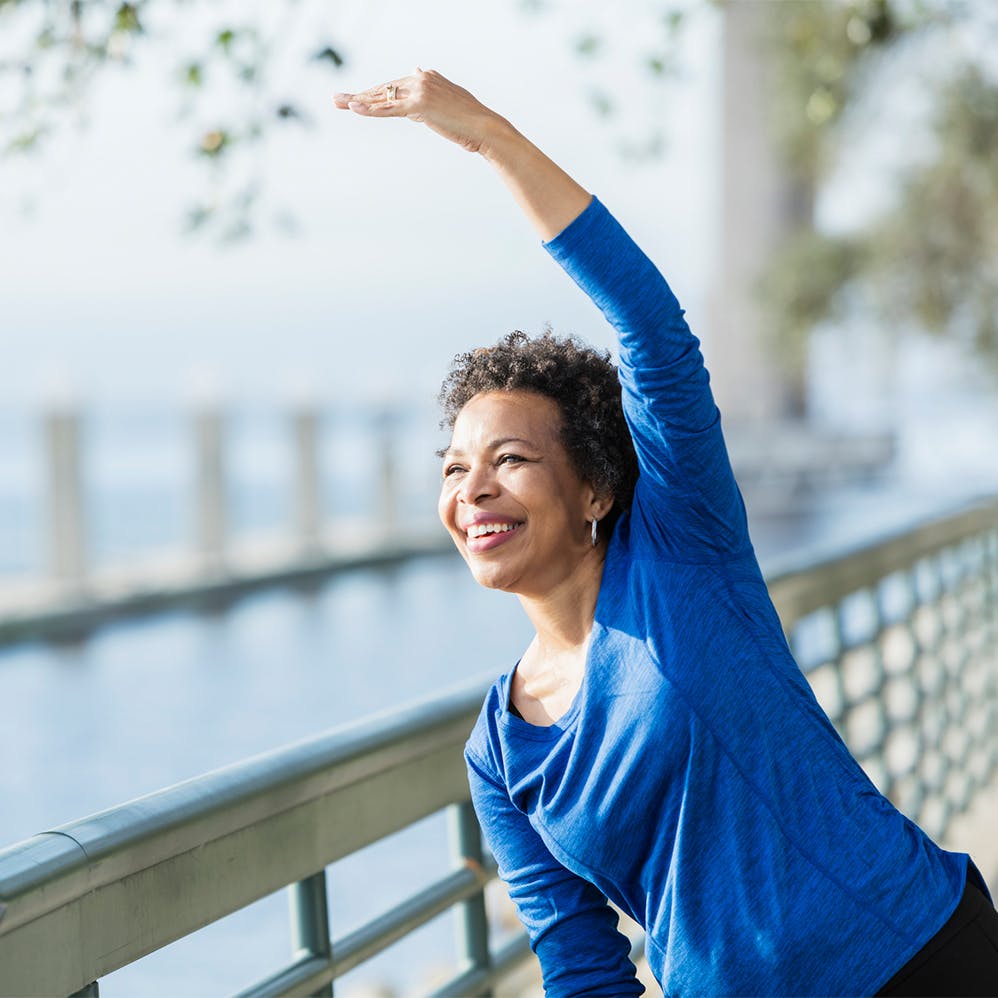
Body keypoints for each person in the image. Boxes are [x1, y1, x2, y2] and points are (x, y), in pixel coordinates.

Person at [333, 71, 998, 996]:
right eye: (453, 468)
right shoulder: (499, 751)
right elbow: (580, 964)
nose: (472, 490)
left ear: (596, 486)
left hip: (912, 961)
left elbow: (649, 325)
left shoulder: (682, 547)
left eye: (511, 460)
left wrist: (489, 136)